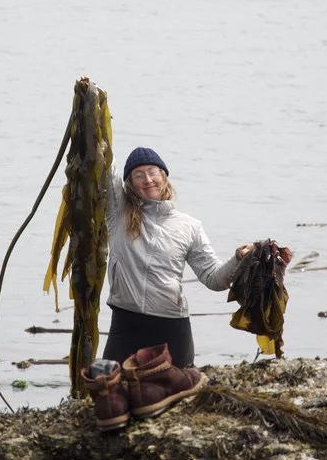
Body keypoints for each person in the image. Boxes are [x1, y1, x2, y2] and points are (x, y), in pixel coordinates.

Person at [101, 146, 262, 368]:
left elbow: (214, 279)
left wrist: (238, 258)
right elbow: (104, 165)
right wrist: (92, 114)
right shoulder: (118, 213)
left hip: (171, 327)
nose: (148, 179)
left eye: (153, 172)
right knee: (109, 392)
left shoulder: (189, 227)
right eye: (139, 175)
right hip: (126, 325)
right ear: (129, 184)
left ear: (164, 177)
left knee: (179, 397)